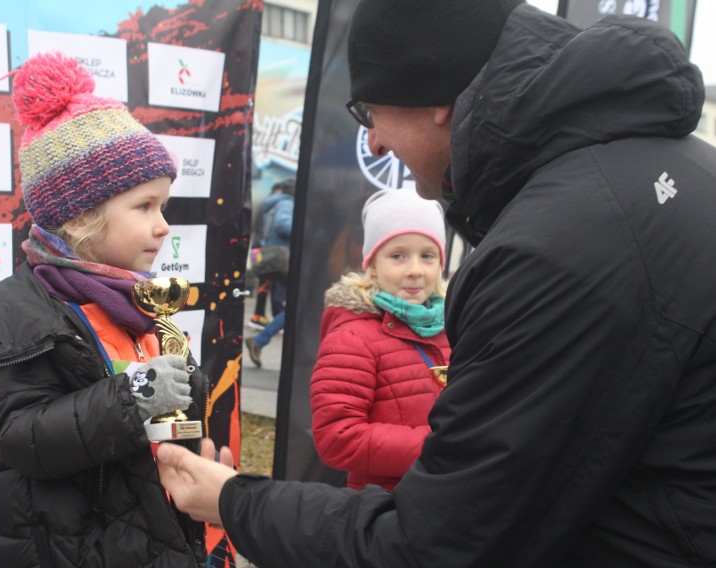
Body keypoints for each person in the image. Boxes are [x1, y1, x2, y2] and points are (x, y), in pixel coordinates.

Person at [157, 1, 716, 566]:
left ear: (437, 97)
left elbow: (434, 547)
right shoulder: (664, 172)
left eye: (369, 110)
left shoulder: (559, 246)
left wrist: (232, 500)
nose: (372, 142)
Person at [0, 52, 209, 567]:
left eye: (164, 206)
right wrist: (137, 395)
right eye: (144, 206)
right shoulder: (20, 316)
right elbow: (24, 436)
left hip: (141, 536)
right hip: (67, 548)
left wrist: (187, 385)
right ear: (82, 216)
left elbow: (165, 415)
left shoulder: (134, 300)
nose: (163, 226)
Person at [310, 188, 450, 490]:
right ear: (372, 263)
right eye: (398, 255)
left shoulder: (455, 326)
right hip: (387, 513)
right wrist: (441, 446)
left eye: (427, 256)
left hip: (451, 503)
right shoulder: (351, 337)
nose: (415, 270)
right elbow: (337, 438)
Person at [247, 178, 295, 330]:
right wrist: (302, 230)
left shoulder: (271, 202)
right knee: (280, 289)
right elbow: (282, 224)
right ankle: (274, 321)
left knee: (269, 285)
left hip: (266, 250)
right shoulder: (286, 204)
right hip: (279, 253)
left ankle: (263, 318)